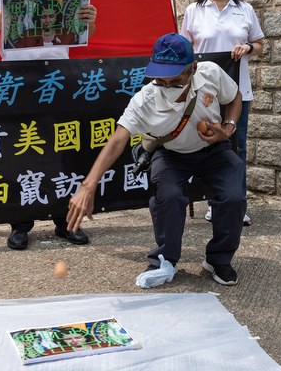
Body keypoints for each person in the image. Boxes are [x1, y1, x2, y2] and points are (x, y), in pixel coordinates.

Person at [66, 33, 246, 286]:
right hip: (172, 154)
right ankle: (165, 259)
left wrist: (227, 128)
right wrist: (88, 185)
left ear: (192, 69)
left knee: (233, 196)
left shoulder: (211, 73)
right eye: (160, 79)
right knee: (168, 197)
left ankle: (219, 258)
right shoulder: (145, 99)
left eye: (175, 81)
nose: (166, 85)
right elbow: (118, 139)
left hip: (214, 150)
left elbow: (235, 96)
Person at [0, 0, 97, 251]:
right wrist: (13, 0)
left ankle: (65, 221)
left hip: (57, 74)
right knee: (21, 148)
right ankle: (20, 223)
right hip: (17, 78)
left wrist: (90, 20)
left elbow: (82, 35)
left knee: (62, 147)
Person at [181, 0, 263, 227]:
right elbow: (184, 48)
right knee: (204, 145)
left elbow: (260, 44)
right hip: (203, 92)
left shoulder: (245, 9)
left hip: (238, 92)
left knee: (235, 146)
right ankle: (215, 202)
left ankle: (236, 203)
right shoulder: (194, 11)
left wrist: (248, 47)